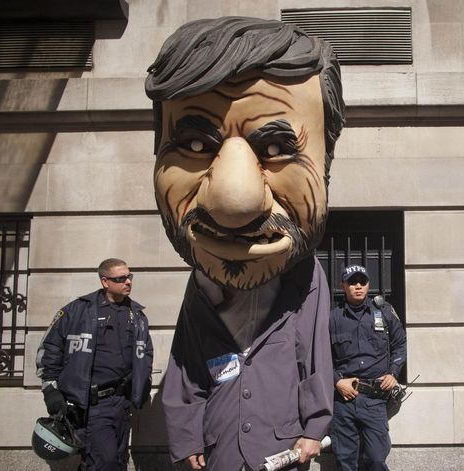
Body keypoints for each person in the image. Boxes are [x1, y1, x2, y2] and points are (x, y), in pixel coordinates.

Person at [144, 16, 345, 471]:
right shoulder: (200, 284)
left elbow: (316, 355)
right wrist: (187, 432)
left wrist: (315, 428)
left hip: (280, 443)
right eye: (195, 143)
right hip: (220, 440)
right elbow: (186, 360)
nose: (235, 200)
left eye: (275, 150)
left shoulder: (306, 276)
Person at [36, 258, 154, 470]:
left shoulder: (136, 315)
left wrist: (142, 387)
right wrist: (51, 391)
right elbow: (50, 350)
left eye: (129, 276)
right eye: (121, 278)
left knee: (117, 462)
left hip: (122, 403)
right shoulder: (77, 311)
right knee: (104, 462)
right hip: (92, 405)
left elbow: (145, 353)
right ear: (105, 281)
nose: (128, 282)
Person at [329, 265, 407, 471]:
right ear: (343, 286)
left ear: (368, 285)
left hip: (375, 398)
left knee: (376, 459)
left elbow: (400, 345)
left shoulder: (384, 312)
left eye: (362, 282)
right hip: (344, 399)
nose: (357, 286)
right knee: (346, 462)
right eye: (352, 282)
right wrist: (336, 380)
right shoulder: (332, 317)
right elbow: (319, 357)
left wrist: (394, 372)